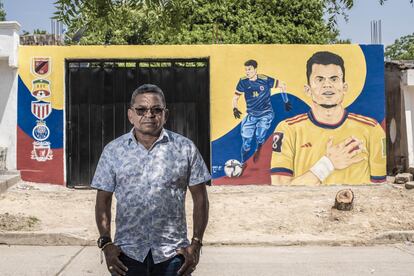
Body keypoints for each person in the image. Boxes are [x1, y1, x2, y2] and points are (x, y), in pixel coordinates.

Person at [91, 84, 211, 276]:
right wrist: (106, 243)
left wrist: (196, 244)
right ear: (130, 114)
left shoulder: (185, 149)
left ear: (166, 114)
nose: (149, 114)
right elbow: (103, 200)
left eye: (157, 110)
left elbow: (200, 199)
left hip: (173, 255)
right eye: (141, 110)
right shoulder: (113, 151)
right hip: (127, 254)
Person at [271, 51, 386, 185]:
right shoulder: (288, 129)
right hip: (305, 205)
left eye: (334, 79)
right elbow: (279, 186)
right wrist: (327, 165)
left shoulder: (372, 129)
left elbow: (379, 188)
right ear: (308, 90)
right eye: (319, 79)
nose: (327, 85)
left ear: (344, 87)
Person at [233, 59, 290, 169]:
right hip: (251, 115)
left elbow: (282, 85)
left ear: (255, 69)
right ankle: (242, 162)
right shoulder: (243, 81)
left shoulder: (265, 79)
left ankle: (259, 148)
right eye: (246, 70)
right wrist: (234, 108)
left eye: (249, 69)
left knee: (260, 135)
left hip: (265, 113)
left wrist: (286, 101)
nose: (247, 72)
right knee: (246, 144)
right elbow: (235, 97)